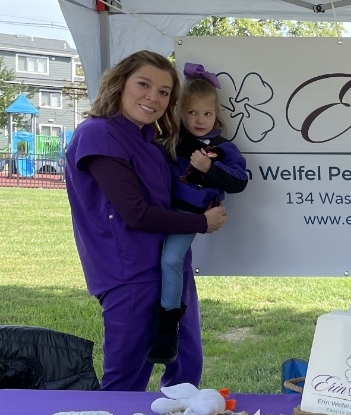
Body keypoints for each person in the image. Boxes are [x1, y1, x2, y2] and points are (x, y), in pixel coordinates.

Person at [65, 50, 228, 391]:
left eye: (164, 92)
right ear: (120, 83)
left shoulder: (152, 142)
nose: (153, 97)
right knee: (127, 377)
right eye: (144, 84)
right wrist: (202, 223)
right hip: (129, 273)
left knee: (186, 372)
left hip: (170, 266)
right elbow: (135, 212)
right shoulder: (98, 134)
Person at [150, 63, 247, 365]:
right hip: (157, 213)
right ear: (180, 112)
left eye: (206, 113)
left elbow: (240, 182)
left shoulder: (223, 148)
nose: (200, 120)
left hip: (189, 214)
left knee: (170, 260)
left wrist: (210, 169)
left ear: (216, 114)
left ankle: (167, 326)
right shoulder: (171, 141)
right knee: (157, 263)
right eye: (192, 113)